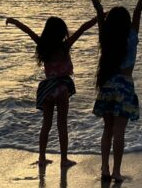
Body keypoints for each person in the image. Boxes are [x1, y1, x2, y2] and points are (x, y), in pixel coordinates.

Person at [77, 0, 142, 182]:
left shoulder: (107, 36)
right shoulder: (132, 35)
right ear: (127, 22)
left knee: (107, 130)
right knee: (120, 131)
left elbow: (99, 13)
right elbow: (137, 12)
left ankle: (104, 168)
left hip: (108, 85)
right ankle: (117, 171)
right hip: (125, 86)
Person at [5, 14, 97, 167]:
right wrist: (100, 17)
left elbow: (28, 31)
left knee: (46, 124)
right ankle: (64, 159)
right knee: (62, 124)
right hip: (61, 89)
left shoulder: (43, 45)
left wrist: (14, 22)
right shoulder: (64, 46)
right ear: (61, 33)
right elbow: (83, 28)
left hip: (47, 89)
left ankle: (42, 158)